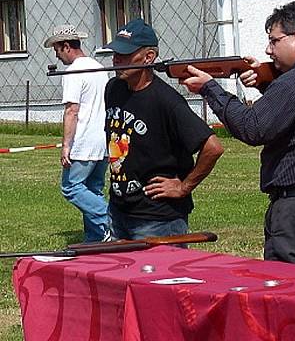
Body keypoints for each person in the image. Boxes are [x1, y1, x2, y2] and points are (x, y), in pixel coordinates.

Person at [182, 2, 295, 270]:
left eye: (274, 41)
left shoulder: (294, 81)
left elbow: (252, 128)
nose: (268, 50)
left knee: (291, 298)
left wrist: (210, 89)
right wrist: (267, 80)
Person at [104, 18, 224, 240]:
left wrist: (183, 187)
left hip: (158, 219)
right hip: (119, 211)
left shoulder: (167, 101)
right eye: (115, 54)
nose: (116, 60)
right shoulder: (113, 89)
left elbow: (213, 147)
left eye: (125, 54)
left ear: (148, 57)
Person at [44, 25, 110, 242]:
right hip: (103, 141)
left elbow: (72, 110)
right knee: (93, 189)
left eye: (57, 49)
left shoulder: (73, 72)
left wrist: (66, 145)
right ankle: (96, 238)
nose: (56, 54)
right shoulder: (99, 68)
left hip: (84, 142)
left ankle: (112, 219)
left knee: (71, 188)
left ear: (66, 46)